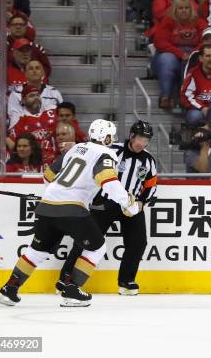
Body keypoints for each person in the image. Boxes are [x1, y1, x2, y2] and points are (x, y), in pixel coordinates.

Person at [0, 119, 142, 307]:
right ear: (105, 137)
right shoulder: (106, 153)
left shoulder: (76, 149)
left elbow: (48, 176)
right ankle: (72, 290)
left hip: (48, 205)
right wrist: (128, 203)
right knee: (97, 247)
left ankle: (9, 290)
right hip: (73, 208)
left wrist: (55, 193)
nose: (111, 140)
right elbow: (109, 181)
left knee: (37, 251)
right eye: (110, 136)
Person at [59, 121, 157, 296]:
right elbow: (91, 150)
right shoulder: (112, 149)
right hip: (104, 202)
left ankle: (126, 281)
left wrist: (141, 203)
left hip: (131, 205)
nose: (142, 142)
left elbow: (151, 186)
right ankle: (66, 279)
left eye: (146, 139)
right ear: (132, 135)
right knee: (86, 240)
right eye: (139, 137)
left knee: (138, 242)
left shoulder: (148, 160)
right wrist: (75, 146)